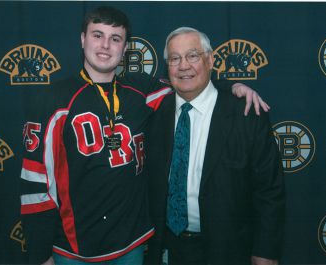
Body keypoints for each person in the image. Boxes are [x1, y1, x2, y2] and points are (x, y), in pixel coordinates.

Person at [20, 6, 268, 265]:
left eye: (115, 38)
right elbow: (35, 185)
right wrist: (40, 255)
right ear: (83, 39)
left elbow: (190, 82)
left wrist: (233, 87)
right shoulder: (52, 101)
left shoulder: (143, 91)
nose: (105, 45)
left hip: (134, 245)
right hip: (75, 250)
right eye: (97, 35)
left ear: (125, 48)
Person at [145, 27, 285, 265]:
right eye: (175, 58)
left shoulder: (246, 114)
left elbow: (269, 191)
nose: (183, 66)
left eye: (192, 56)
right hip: (166, 249)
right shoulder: (153, 112)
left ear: (210, 59)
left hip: (228, 250)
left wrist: (266, 252)